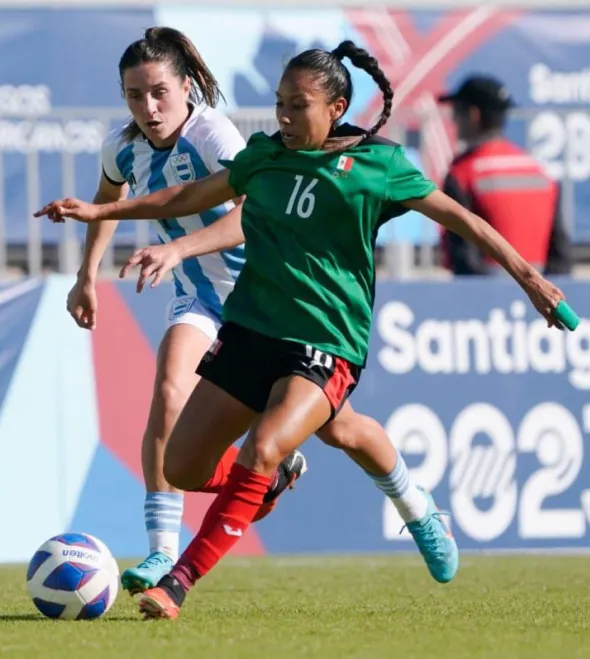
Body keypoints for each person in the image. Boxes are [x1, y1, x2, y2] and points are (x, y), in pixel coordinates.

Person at [37, 40, 565, 620]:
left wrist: (531, 280)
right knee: (196, 465)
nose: (284, 117)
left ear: (336, 107)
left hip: (325, 341)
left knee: (262, 446)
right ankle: (412, 503)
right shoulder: (264, 155)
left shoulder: (378, 167)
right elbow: (188, 195)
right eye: (280, 103)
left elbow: (462, 219)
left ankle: (179, 578)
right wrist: (99, 212)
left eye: (299, 106)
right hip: (254, 330)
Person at [67, 27, 455, 599]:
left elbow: (247, 214)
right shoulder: (119, 148)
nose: (147, 108)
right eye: (133, 95)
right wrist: (85, 278)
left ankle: (415, 504)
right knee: (169, 394)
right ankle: (161, 552)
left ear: (187, 87)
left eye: (158, 93)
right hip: (201, 297)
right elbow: (108, 204)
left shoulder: (215, 137)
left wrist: (177, 247)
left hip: (266, 293)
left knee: (341, 431)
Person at [437, 74, 573, 276]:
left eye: (456, 112)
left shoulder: (462, 174)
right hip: (540, 296)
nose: (454, 120)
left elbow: (463, 258)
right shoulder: (540, 172)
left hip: (487, 299)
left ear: (473, 115)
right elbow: (561, 256)